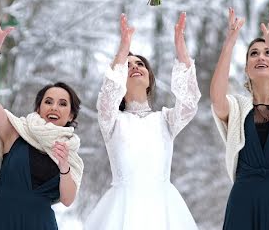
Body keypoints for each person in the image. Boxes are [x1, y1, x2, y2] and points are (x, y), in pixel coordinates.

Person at [84, 12, 201, 229]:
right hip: (122, 212)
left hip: (164, 212)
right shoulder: (112, 121)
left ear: (149, 79)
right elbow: (107, 99)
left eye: (140, 64)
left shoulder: (165, 120)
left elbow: (189, 102)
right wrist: (123, 48)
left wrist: (181, 48)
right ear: (120, 78)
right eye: (128, 66)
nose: (135, 67)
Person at [0, 11, 84, 230]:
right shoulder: (16, 132)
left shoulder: (69, 153)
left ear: (71, 115)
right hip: (2, 220)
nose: (54, 107)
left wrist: (63, 167)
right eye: (48, 101)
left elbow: (67, 199)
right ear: (38, 108)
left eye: (63, 104)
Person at [210, 8, 269, 229]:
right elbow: (216, 100)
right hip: (244, 201)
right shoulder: (236, 106)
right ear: (246, 68)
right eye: (254, 53)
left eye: (267, 53)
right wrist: (229, 44)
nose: (261, 57)